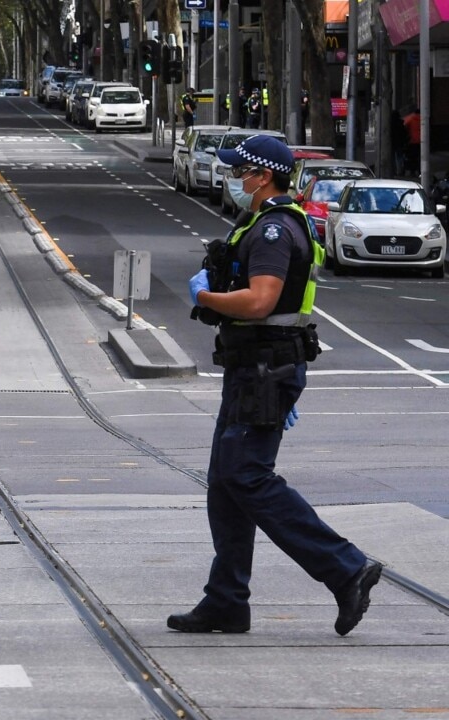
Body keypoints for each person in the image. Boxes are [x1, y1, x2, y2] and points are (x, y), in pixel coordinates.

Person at [177, 135, 382, 637]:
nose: (236, 178)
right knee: (226, 482)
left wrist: (207, 298)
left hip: (265, 368)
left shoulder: (272, 230)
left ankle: (346, 567)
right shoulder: (266, 220)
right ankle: (226, 600)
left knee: (246, 476)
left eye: (242, 171)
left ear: (263, 176)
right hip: (254, 367)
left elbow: (260, 302)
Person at [402, 108, 421, 178]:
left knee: (413, 157)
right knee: (420, 157)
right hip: (422, 141)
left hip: (412, 141)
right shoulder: (424, 118)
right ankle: (419, 171)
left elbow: (405, 125)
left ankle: (413, 171)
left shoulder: (411, 118)